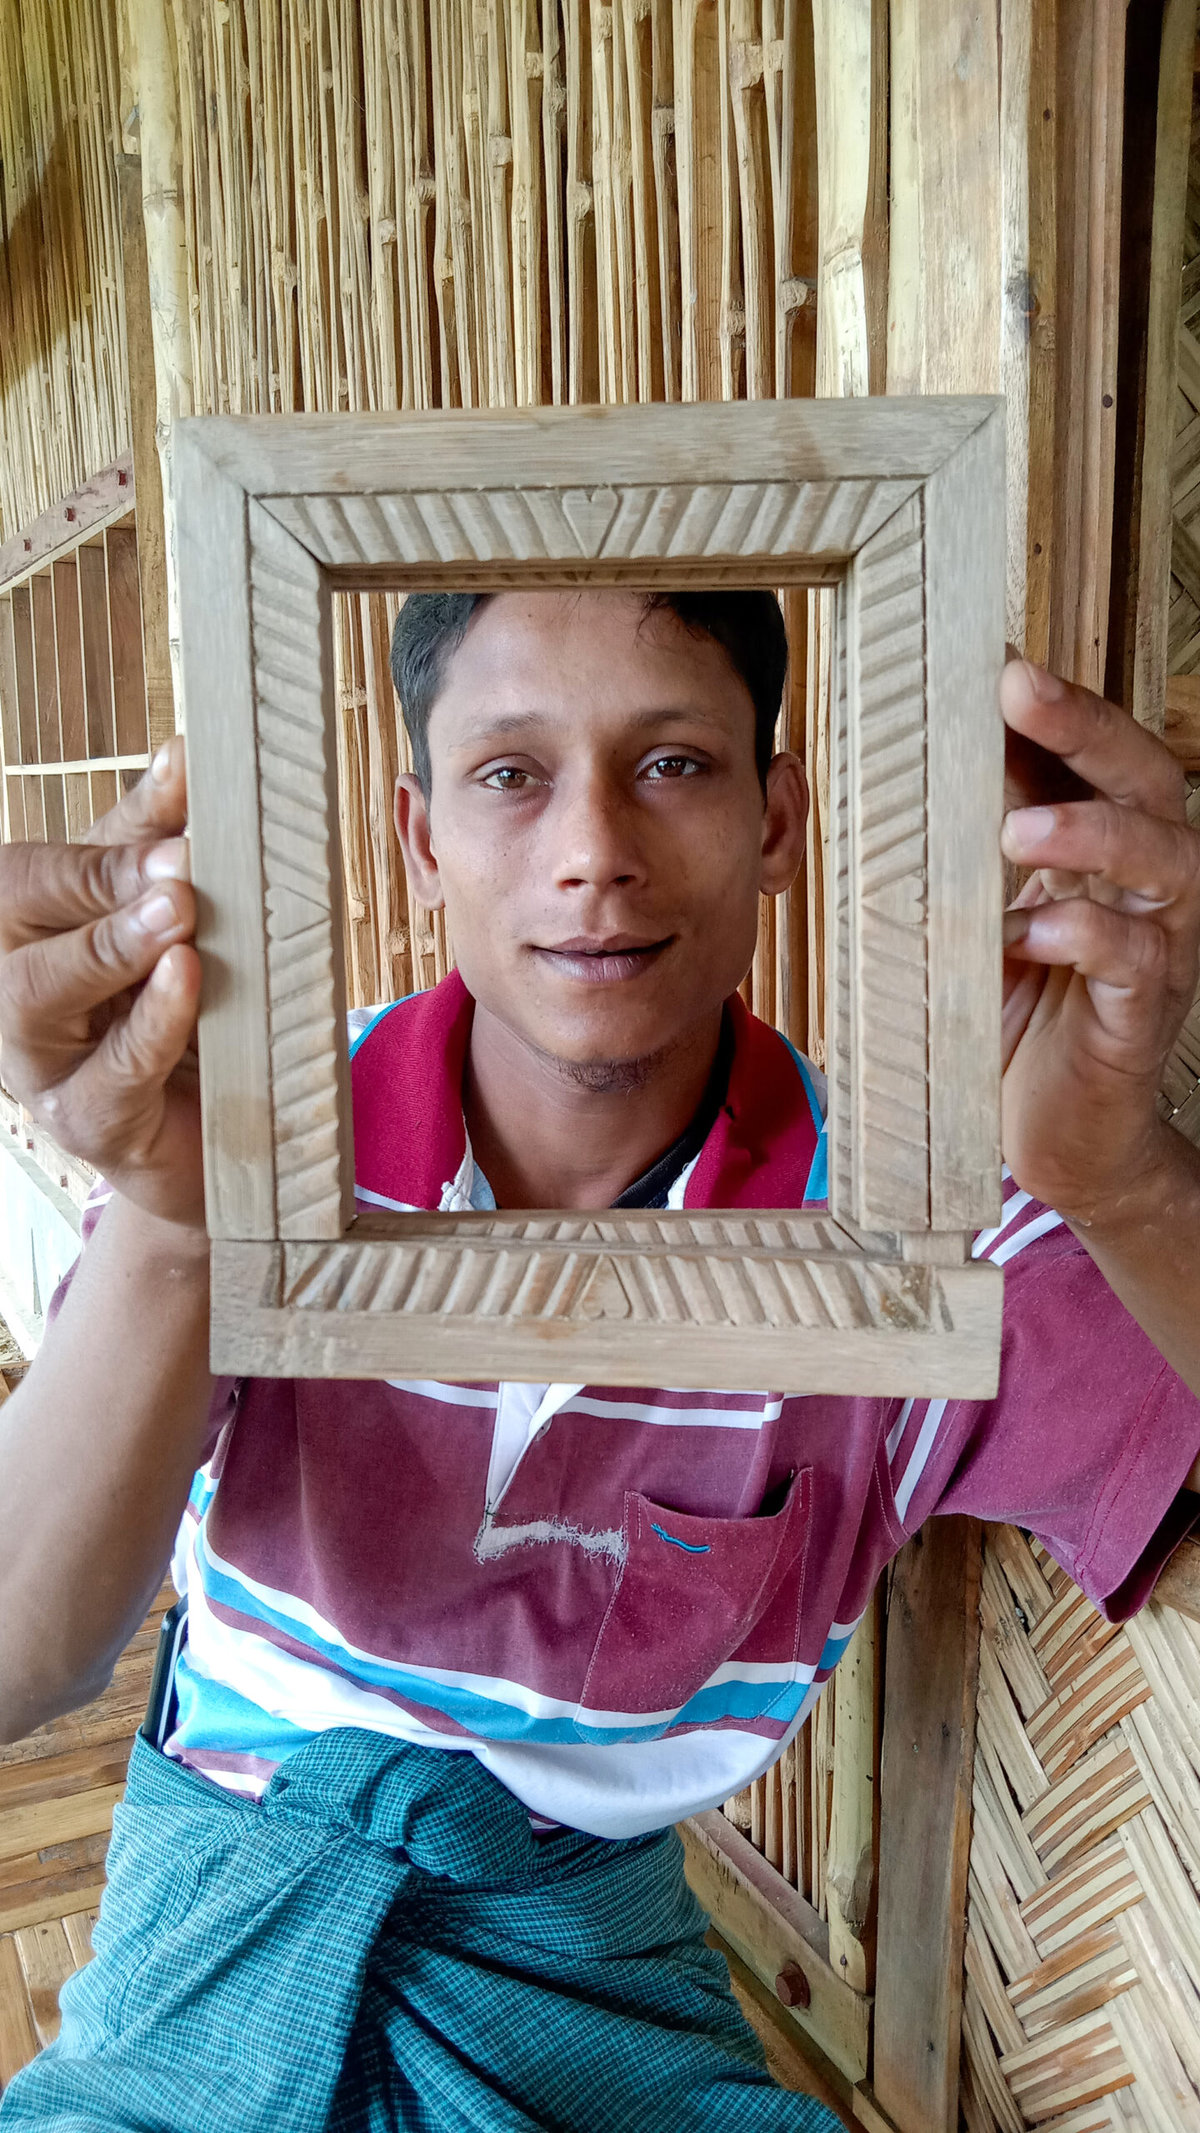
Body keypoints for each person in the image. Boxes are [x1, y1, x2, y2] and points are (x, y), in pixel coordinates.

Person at [0, 587, 1198, 2133]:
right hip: (222, 1902)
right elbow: (21, 1652)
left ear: (778, 818)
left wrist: (1124, 1179)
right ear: (420, 833)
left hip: (592, 1969)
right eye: (510, 772)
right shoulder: (259, 1140)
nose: (593, 854)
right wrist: (175, 1230)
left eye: (674, 764)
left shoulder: (914, 1235)